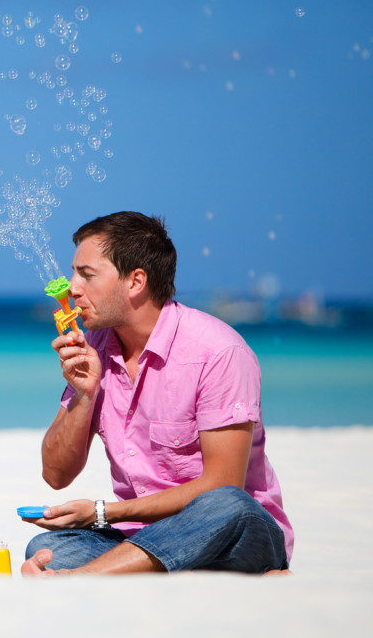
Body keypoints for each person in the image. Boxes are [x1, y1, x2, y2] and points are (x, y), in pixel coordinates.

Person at [22, 211, 292, 576]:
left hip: (235, 534)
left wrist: (103, 512)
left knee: (228, 504)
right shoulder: (95, 351)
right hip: (146, 534)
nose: (72, 288)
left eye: (86, 275)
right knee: (46, 547)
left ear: (135, 282)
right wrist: (83, 395)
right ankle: (134, 565)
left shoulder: (218, 352)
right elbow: (55, 475)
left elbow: (223, 485)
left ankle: (85, 577)